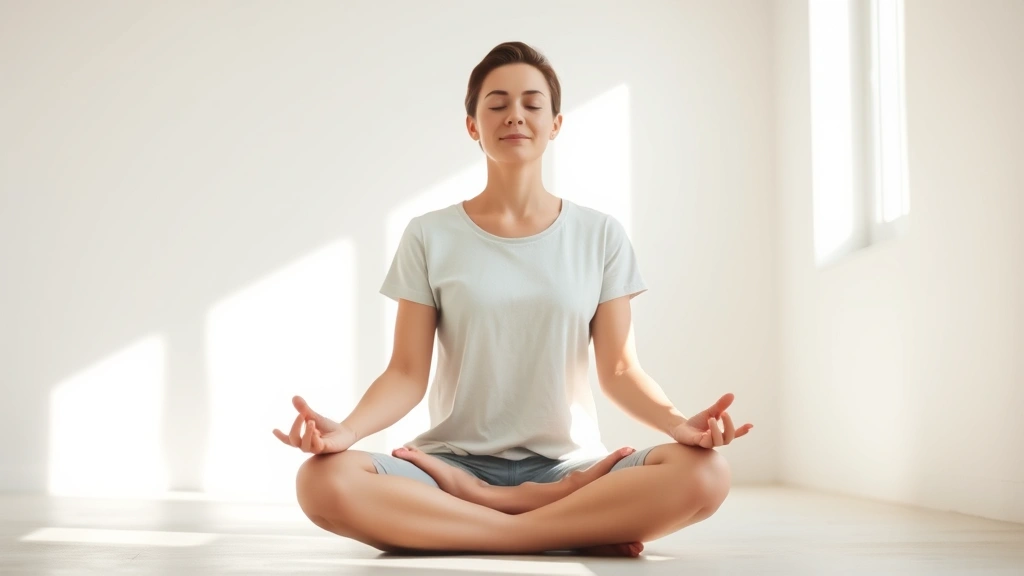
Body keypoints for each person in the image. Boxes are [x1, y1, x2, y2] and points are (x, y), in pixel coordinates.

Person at [272, 41, 752, 557]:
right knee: (322, 481)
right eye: (497, 104)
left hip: (572, 469)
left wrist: (678, 424)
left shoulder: (600, 235)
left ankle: (482, 521)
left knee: (704, 474)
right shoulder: (429, 235)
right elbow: (406, 372)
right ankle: (562, 527)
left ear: (556, 124)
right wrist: (347, 432)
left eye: (532, 104)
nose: (515, 116)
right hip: (450, 466)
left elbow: (619, 369)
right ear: (473, 126)